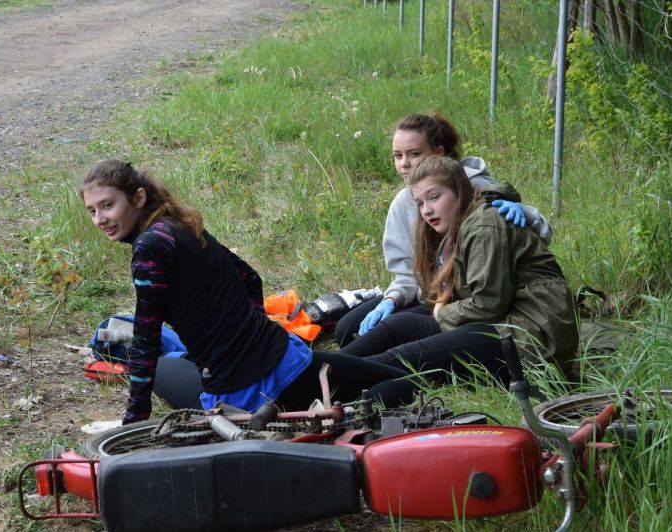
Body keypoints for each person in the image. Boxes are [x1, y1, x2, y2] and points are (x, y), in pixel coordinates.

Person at [80, 160, 415, 424]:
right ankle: (345, 412)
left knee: (165, 366)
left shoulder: (149, 246)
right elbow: (250, 277)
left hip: (240, 394)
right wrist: (251, 334)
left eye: (108, 205)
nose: (100, 219)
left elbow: (145, 339)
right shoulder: (179, 223)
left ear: (138, 198)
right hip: (287, 361)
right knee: (405, 383)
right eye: (92, 211)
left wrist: (133, 422)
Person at [347, 155, 578, 385]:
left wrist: (441, 313)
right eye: (420, 203)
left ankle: (333, 377)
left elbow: (487, 304)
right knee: (397, 327)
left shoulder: (483, 226)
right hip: (506, 322)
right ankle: (330, 367)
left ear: (458, 190)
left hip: (531, 337)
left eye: (434, 197)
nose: (426, 210)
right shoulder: (462, 221)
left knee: (402, 359)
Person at [334, 113, 552, 349]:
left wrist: (525, 213)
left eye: (414, 154)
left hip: (470, 299)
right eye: (398, 156)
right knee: (348, 329)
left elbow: (530, 243)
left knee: (395, 331)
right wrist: (392, 299)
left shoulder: (473, 188)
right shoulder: (403, 203)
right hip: (434, 294)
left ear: (438, 153)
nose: (404, 163)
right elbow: (408, 274)